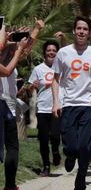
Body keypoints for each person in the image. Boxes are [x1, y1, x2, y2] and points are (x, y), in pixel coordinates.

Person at [52, 16, 91, 190]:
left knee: (85, 146)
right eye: (78, 28)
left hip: (88, 105)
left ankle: (81, 184)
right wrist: (56, 101)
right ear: (74, 31)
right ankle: (70, 155)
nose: (81, 32)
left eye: (85, 29)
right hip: (69, 104)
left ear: (89, 33)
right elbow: (55, 78)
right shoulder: (63, 52)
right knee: (71, 146)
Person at [0, 34, 31, 190]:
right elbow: (6, 71)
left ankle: (10, 186)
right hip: (3, 105)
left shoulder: (6, 55)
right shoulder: (6, 58)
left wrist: (35, 31)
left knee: (12, 146)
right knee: (9, 147)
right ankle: (9, 187)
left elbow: (26, 49)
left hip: (8, 106)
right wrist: (18, 48)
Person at [28, 40, 62, 177]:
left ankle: (55, 151)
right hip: (42, 108)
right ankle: (46, 166)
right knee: (42, 139)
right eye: (49, 50)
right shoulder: (38, 69)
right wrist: (32, 87)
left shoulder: (61, 68)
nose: (51, 52)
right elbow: (29, 89)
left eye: (54, 50)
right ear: (44, 53)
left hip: (57, 108)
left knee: (55, 135)